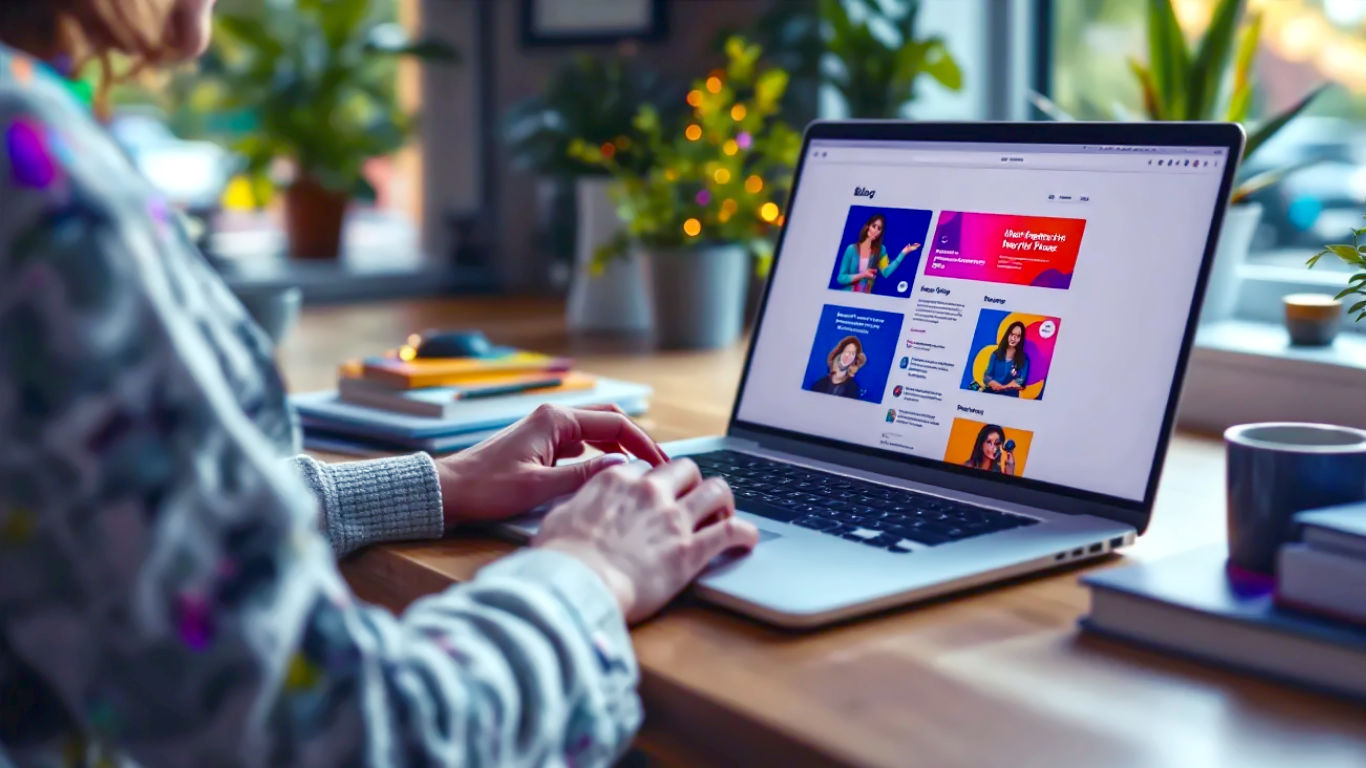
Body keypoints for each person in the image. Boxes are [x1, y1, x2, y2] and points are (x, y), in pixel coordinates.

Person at [0, 3, 759, 766]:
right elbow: (342, 737)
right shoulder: (34, 177)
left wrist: (434, 484)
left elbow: (96, 531)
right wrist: (594, 566)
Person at [834, 213, 921, 293]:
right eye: (874, 226)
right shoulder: (851, 249)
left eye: (879, 228)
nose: (875, 230)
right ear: (867, 226)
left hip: (865, 298)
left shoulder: (881, 250)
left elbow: (886, 272)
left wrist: (904, 252)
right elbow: (841, 278)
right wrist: (863, 275)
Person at [982, 321, 1030, 397]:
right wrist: (996, 385)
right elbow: (987, 376)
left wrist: (1004, 387)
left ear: (1021, 339)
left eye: (1018, 336)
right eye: (1012, 334)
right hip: (991, 392)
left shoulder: (1024, 359)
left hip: (1010, 396)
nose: (1014, 338)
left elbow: (1021, 381)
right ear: (1007, 335)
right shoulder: (996, 354)